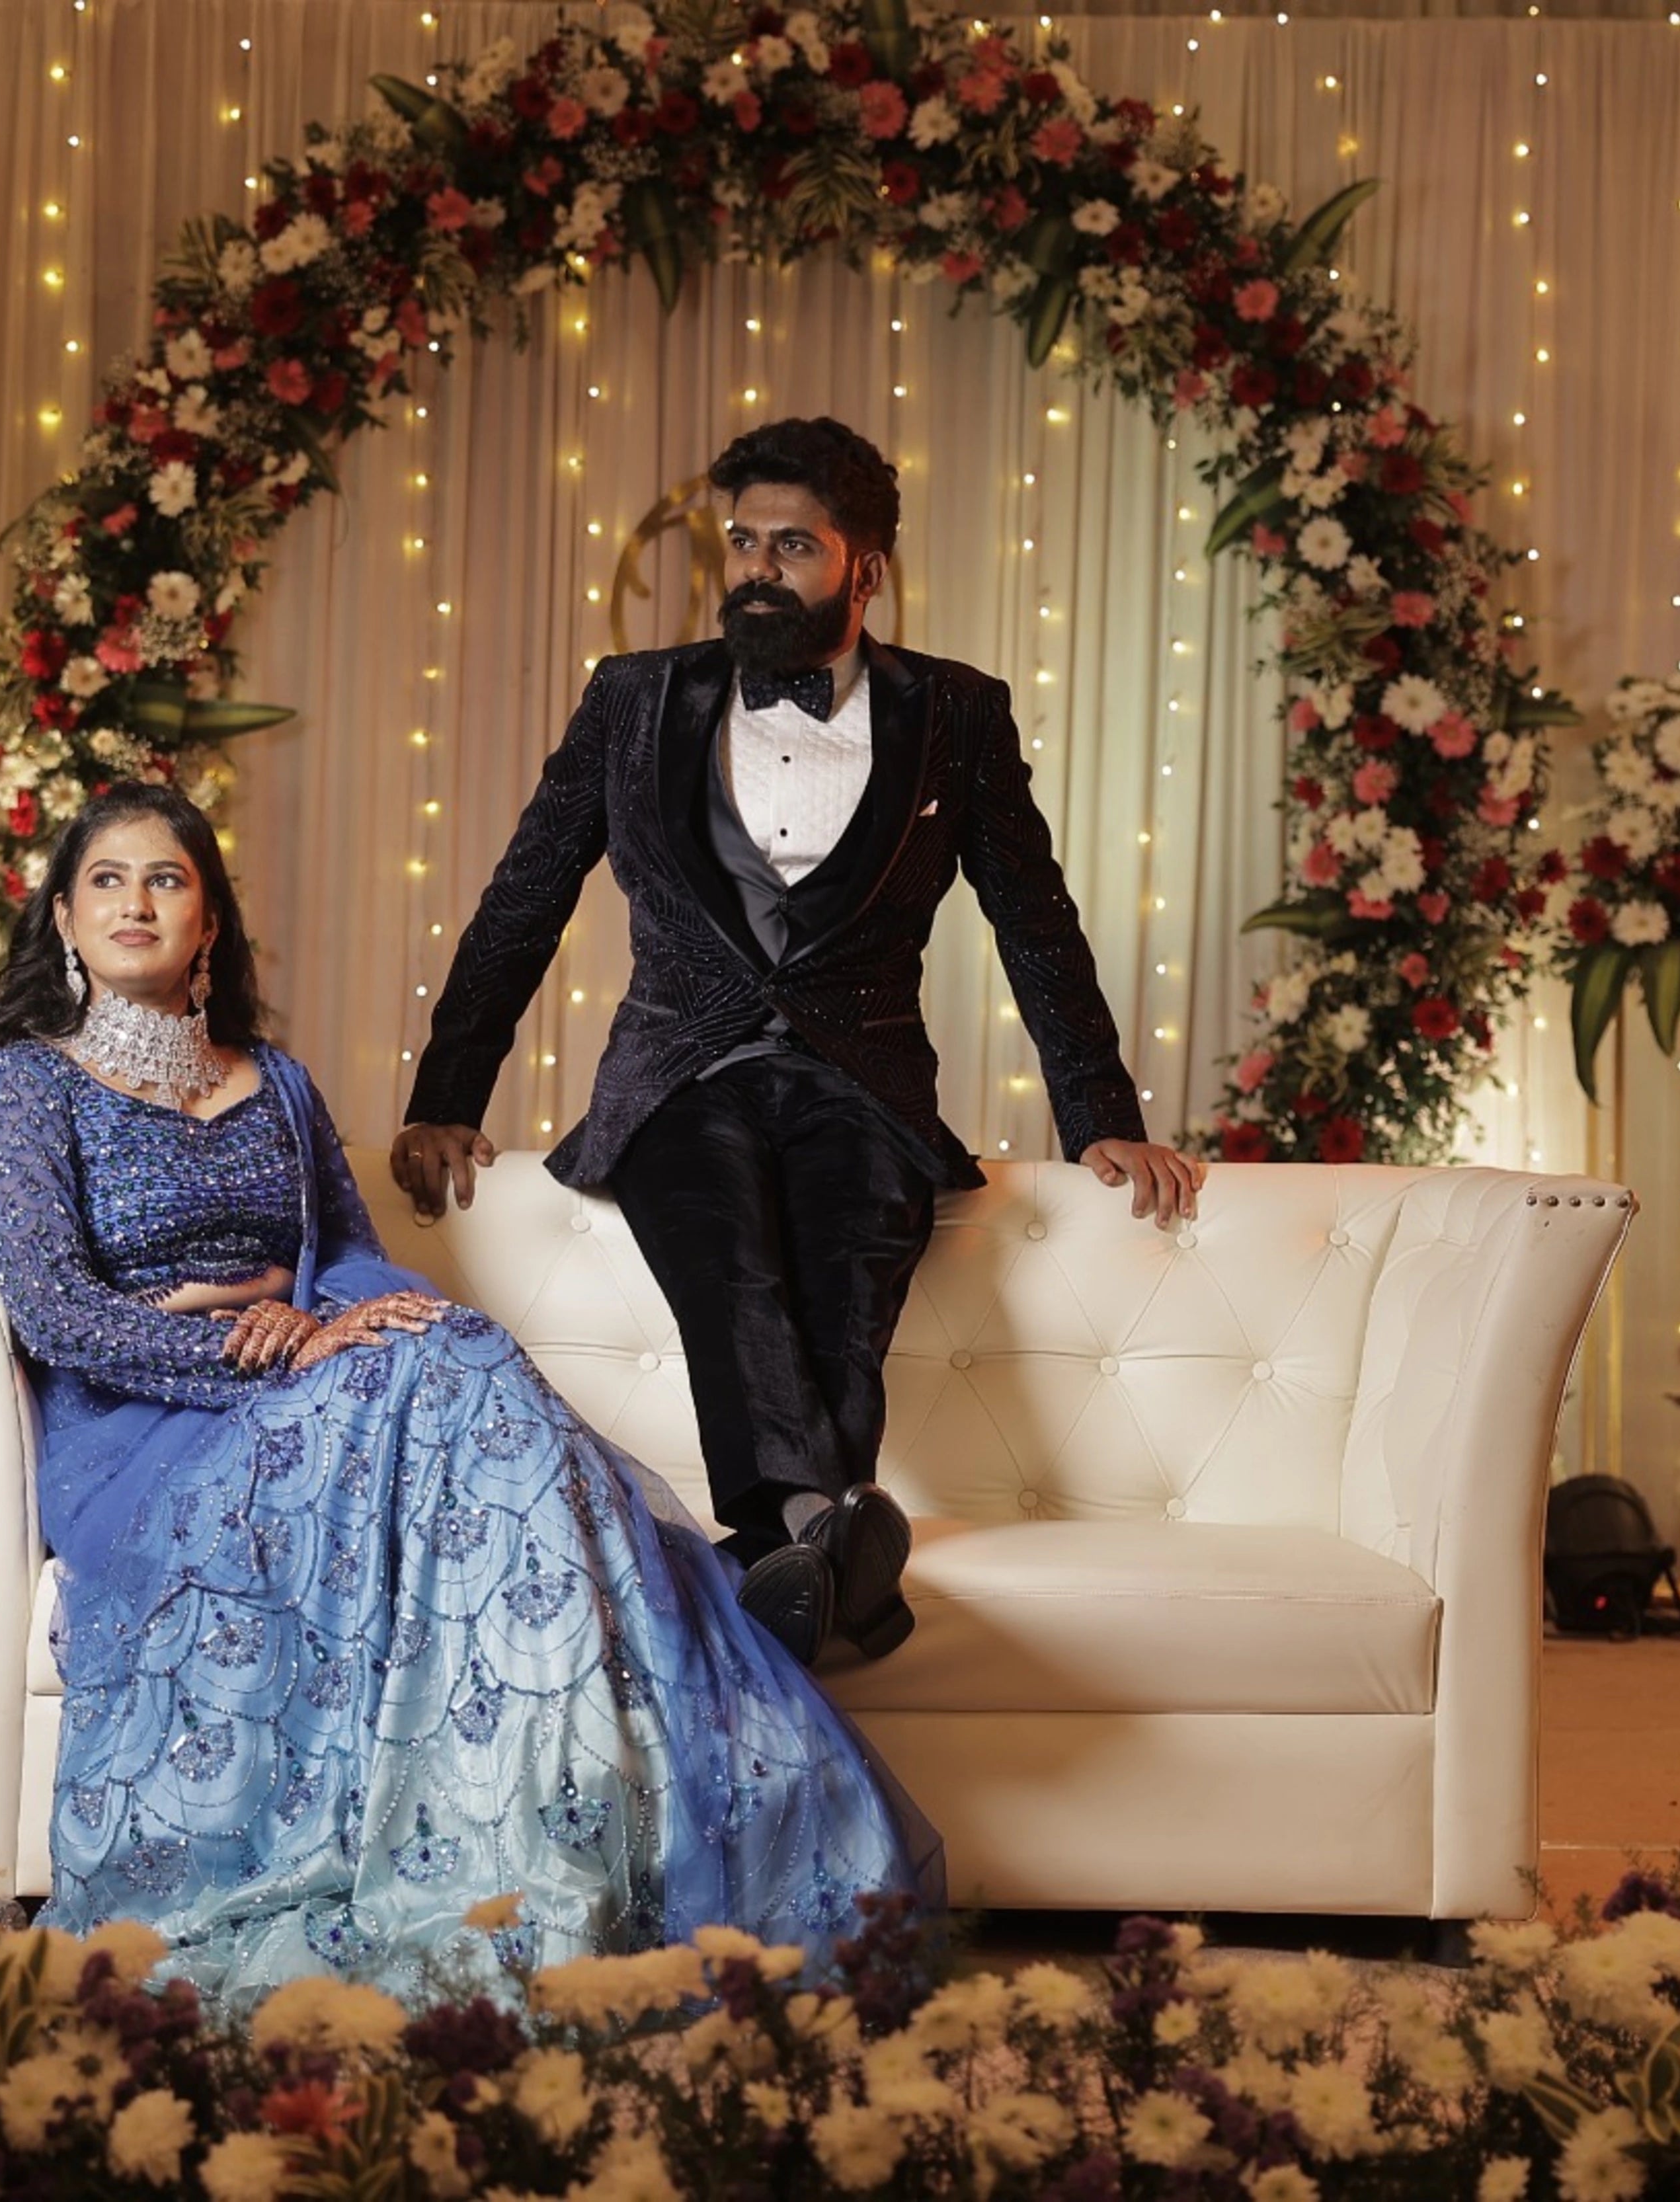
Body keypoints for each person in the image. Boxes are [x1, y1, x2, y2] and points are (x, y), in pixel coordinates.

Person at [0, 780, 936, 2004]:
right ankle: (731, 1593)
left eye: (167, 879)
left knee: (452, 1342)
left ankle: (601, 1764)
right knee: (442, 1365)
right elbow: (54, 1310)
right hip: (152, 1430)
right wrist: (250, 1340)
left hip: (303, 1384)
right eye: (107, 880)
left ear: (208, 928)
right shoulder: (27, 1089)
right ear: (63, 919)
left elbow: (343, 1249)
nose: (136, 900)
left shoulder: (278, 1084)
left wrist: (336, 1318)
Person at [396, 416, 1203, 1674]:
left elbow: (1036, 925)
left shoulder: (956, 715)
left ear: (864, 567)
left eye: (794, 545)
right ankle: (835, 1536)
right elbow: (521, 906)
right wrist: (446, 1095)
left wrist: (1101, 1113)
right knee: (728, 1261)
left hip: (863, 1085)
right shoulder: (632, 701)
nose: (757, 569)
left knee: (844, 1278)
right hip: (677, 1082)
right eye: (743, 542)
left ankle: (798, 1556)